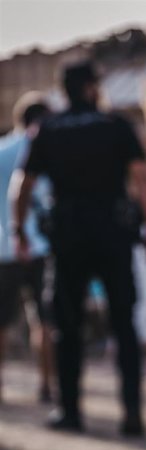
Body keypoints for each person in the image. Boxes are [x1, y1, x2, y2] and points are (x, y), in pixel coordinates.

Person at [13, 61, 146, 435]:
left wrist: (19, 230)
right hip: (113, 234)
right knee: (124, 324)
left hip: (68, 238)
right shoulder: (116, 126)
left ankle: (70, 411)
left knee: (67, 327)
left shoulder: (48, 129)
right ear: (94, 87)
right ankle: (132, 415)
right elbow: (142, 180)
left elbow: (22, 186)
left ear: (63, 90)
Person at [0, 92, 54, 404]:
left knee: (1, 322)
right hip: (41, 247)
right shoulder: (48, 150)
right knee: (45, 320)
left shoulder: (3, 150)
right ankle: (48, 384)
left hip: (5, 248)